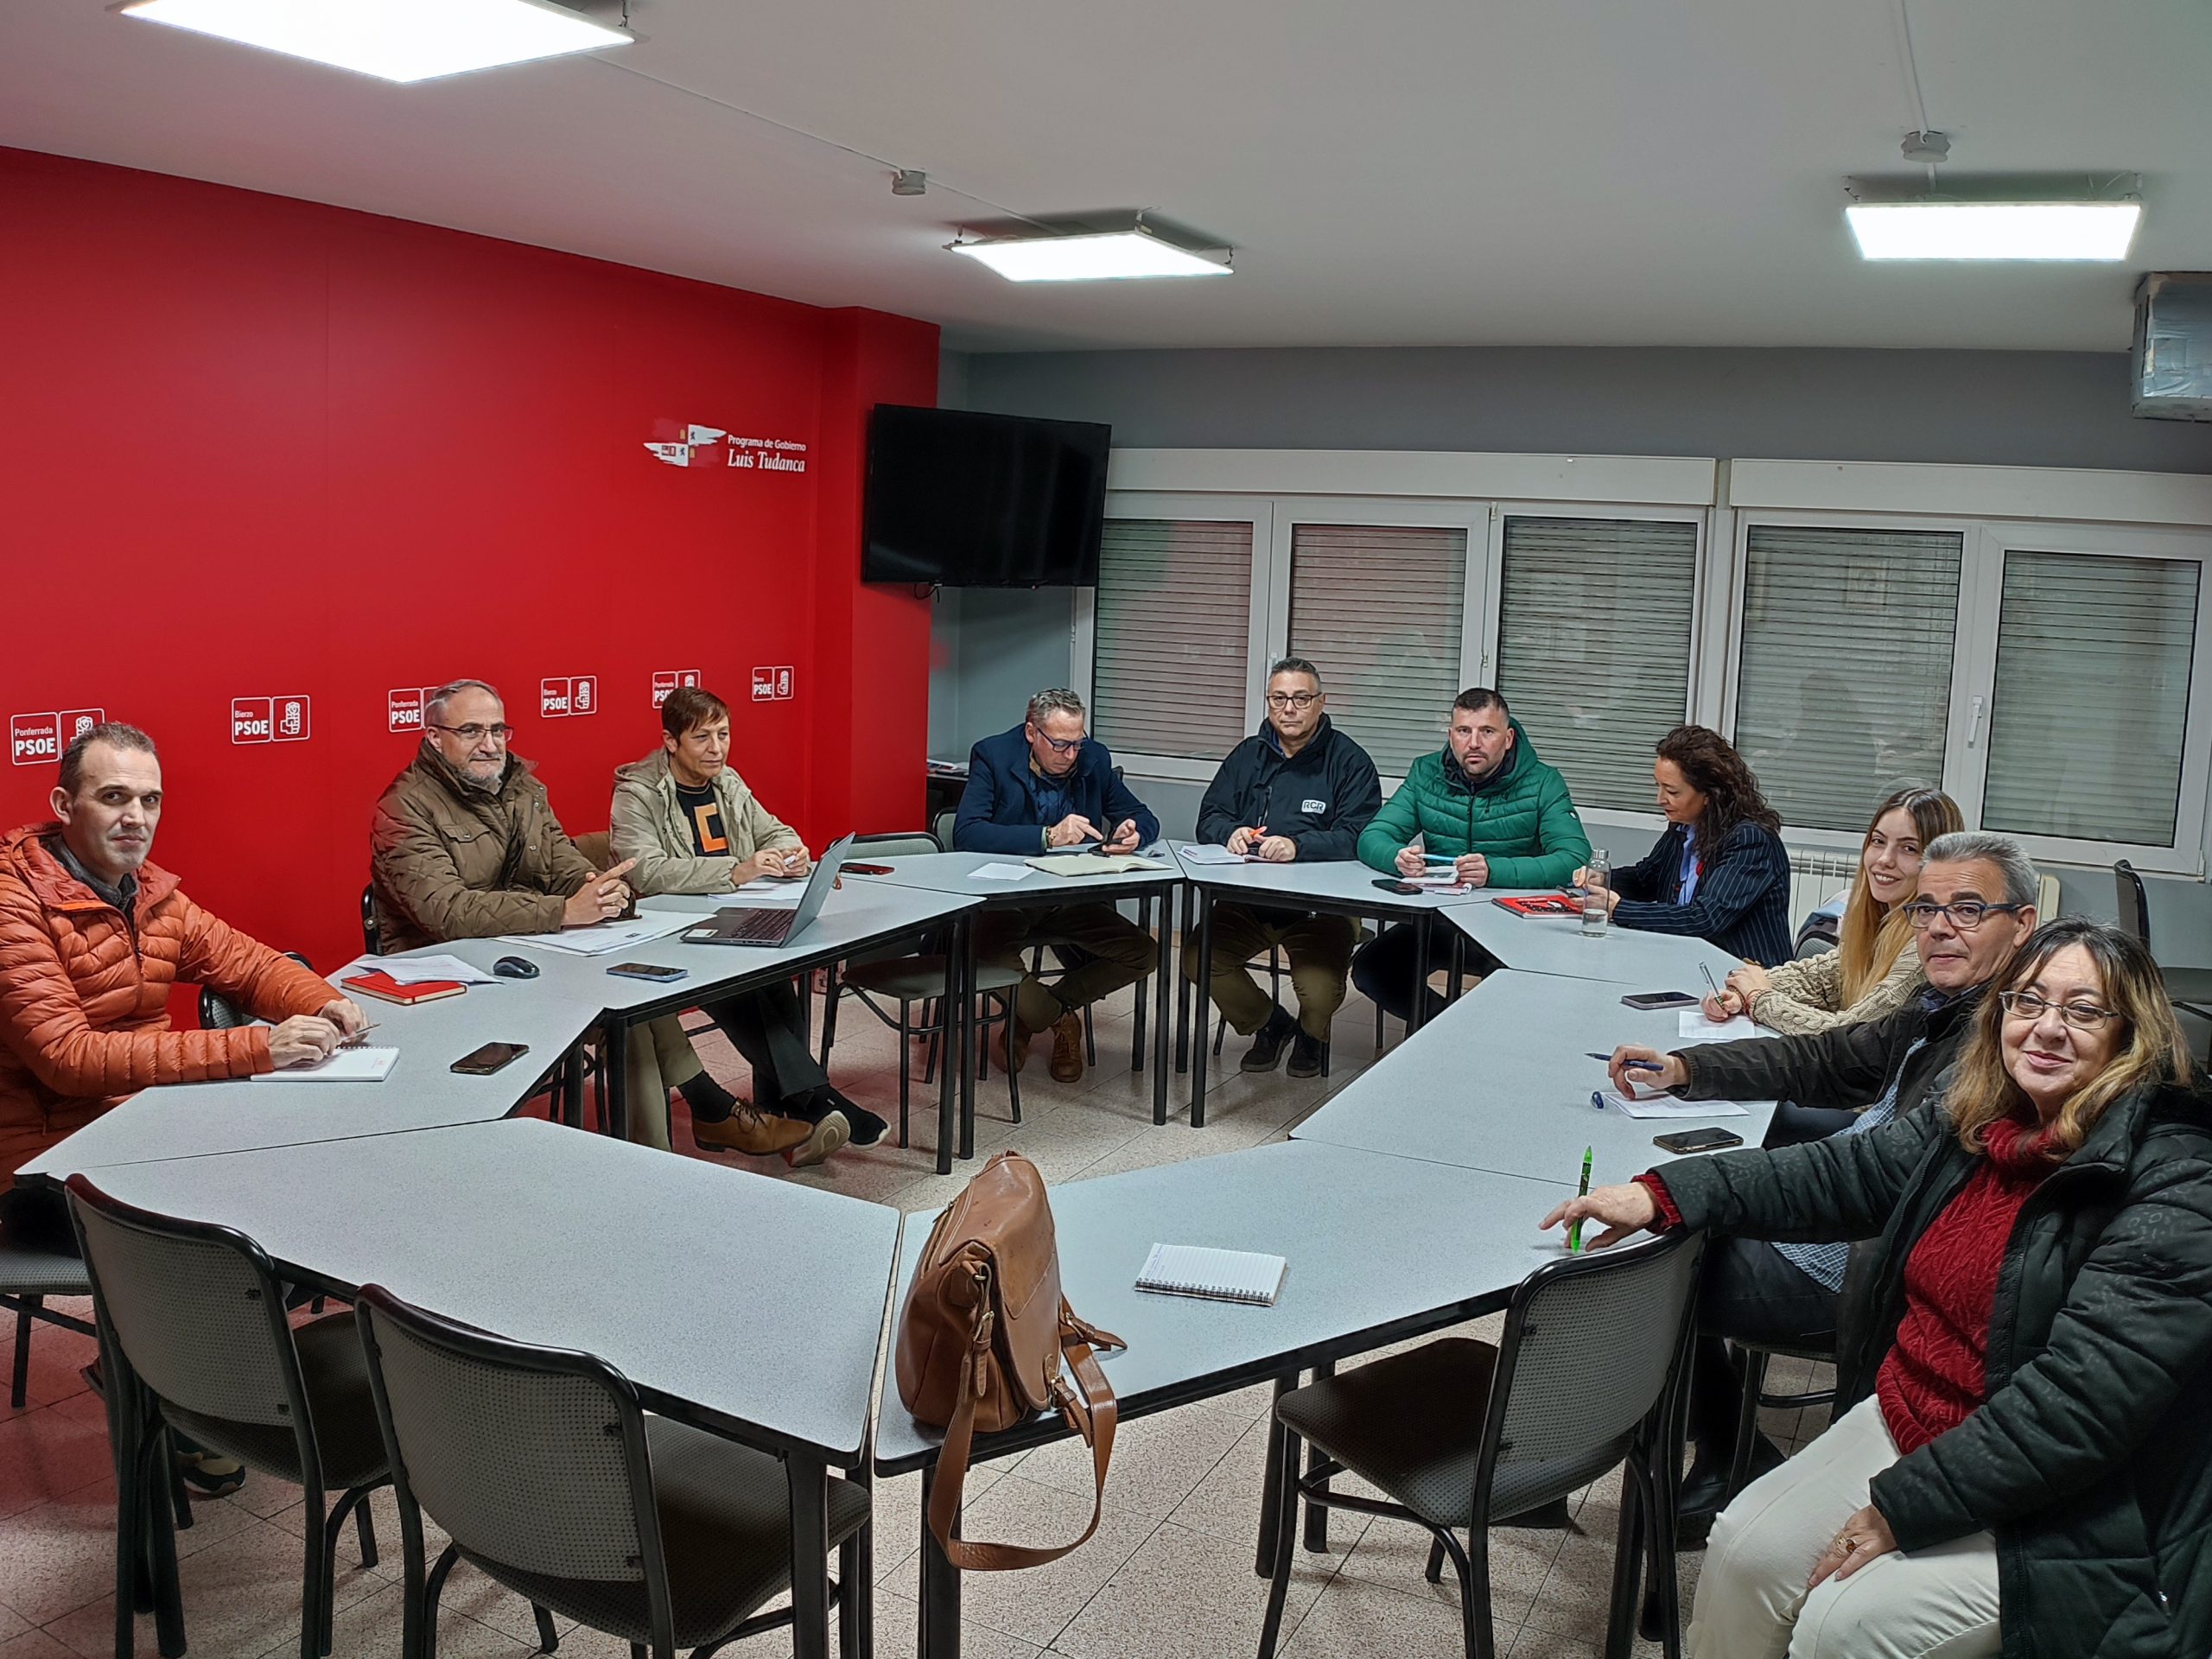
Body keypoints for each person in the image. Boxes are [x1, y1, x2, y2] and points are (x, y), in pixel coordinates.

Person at [1547, 918, 2212, 1659]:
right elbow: (1845, 1174)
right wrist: (1663, 1194)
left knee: (1847, 1628)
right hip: (1917, 1416)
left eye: (2083, 1011)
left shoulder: (2176, 1183)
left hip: (2070, 1496)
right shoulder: (1987, 1114)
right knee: (1742, 1550)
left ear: (2133, 1036)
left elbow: (2079, 1407)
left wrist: (1902, 1508)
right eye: (2028, 1002)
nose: (2046, 1029)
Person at [1599, 830, 2040, 1539]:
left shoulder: (2005, 1041)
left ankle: (1720, 1459)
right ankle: (1725, 1451)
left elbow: (1875, 1172)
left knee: (1647, 1270)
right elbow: (1831, 1057)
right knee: (1671, 1239)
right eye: (1927, 910)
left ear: (2022, 924)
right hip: (1844, 1213)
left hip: (1860, 1264)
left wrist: (1671, 1189)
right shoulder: (1948, 1004)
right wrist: (1688, 1070)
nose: (1939, 928)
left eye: (1966, 909)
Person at [371, 681, 804, 1161]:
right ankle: (670, 1146)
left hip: (529, 949)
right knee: (625, 1015)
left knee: (629, 996)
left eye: (497, 730)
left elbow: (563, 863)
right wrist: (563, 911)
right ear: (434, 737)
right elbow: (446, 911)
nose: (490, 744)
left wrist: (600, 889)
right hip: (449, 973)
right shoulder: (403, 808)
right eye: (471, 731)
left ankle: (674, 1143)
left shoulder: (522, 787)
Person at [2, 722, 365, 1241]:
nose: (136, 818)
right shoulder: (12, 903)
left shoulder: (147, 892)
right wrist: (260, 1045)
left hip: (145, 1126)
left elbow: (252, 965)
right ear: (64, 805)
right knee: (265, 1219)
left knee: (313, 1170)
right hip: (44, 1166)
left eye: (150, 801)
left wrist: (326, 1001)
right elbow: (68, 1060)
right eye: (113, 798)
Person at [611, 685, 885, 1165]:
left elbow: (773, 830)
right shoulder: (636, 793)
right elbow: (644, 870)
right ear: (671, 741)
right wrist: (736, 870)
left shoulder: (728, 782)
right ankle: (820, 1101)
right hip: (672, 934)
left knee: (776, 986)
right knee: (745, 990)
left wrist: (793, 851)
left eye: (724, 734)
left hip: (732, 919)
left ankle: (790, 1118)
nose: (717, 748)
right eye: (703, 738)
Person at [953, 688, 1161, 1083]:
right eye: (1061, 744)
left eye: (1077, 743)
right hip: (1008, 899)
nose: (1070, 755)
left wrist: (1135, 833)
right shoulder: (993, 755)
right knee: (984, 956)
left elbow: (1141, 815)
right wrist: (1046, 836)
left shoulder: (1093, 757)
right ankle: (1061, 1021)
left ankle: (1026, 1018)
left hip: (1071, 899)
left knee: (1143, 953)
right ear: (1032, 733)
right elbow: (967, 833)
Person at [1187, 658, 1382, 1077]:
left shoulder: (1349, 761)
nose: (1289, 708)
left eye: (1300, 698)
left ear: (1321, 702)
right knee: (1197, 958)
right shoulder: (1247, 756)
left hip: (1321, 909)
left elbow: (1360, 835)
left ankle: (1313, 1036)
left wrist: (1299, 846)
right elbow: (1209, 818)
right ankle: (1271, 1025)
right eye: (1279, 699)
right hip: (1248, 903)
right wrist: (1230, 833)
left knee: (1318, 992)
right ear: (1269, 702)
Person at [1351, 687, 1590, 1025]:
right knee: (1371, 968)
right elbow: (1373, 837)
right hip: (1440, 919)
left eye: (1486, 732)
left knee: (1511, 990)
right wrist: (1398, 857)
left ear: (1508, 738)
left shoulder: (1542, 783)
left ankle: (1487, 1043)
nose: (1473, 743)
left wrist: (1494, 871)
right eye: (1464, 731)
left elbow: (1574, 857)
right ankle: (1447, 1026)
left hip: (1512, 923)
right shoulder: (1426, 773)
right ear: (1451, 736)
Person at [1704, 789, 1963, 1043]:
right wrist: (1740, 991)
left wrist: (1759, 998)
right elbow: (1819, 980)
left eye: (1908, 848)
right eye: (1878, 841)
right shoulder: (1880, 923)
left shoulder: (1926, 946)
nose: (1884, 859)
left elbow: (1848, 1034)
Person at [1580, 725, 1791, 965]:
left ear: (1709, 795)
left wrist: (1618, 909)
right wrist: (1602, 879)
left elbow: (1707, 918)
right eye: (1657, 786)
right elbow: (1645, 879)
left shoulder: (1750, 841)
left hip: (1746, 976)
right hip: (1687, 961)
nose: (1659, 799)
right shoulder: (1683, 827)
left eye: (1671, 791)